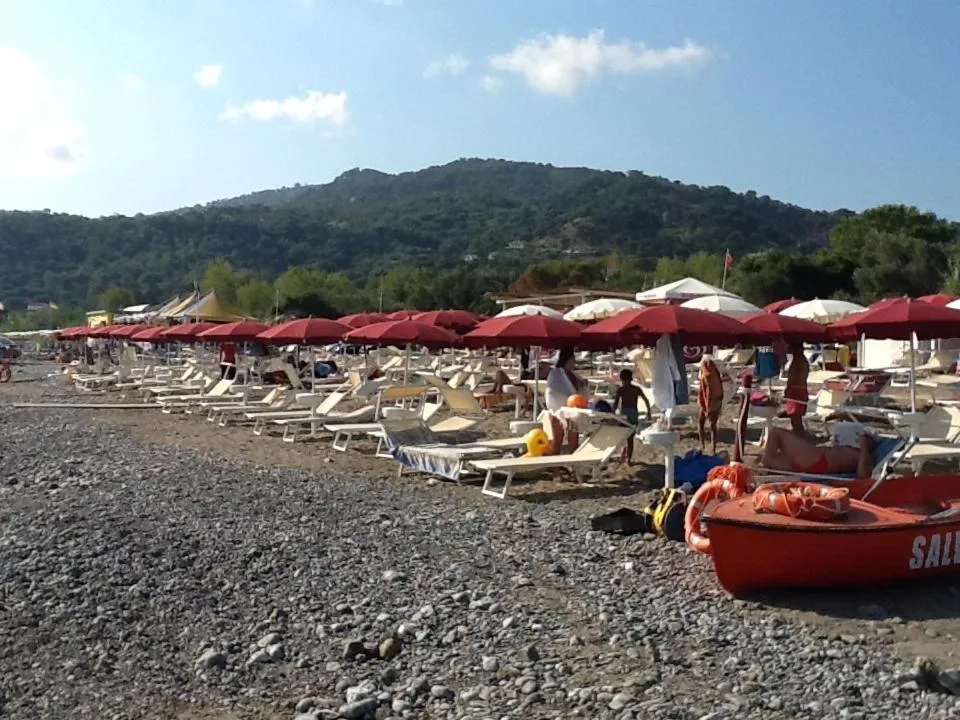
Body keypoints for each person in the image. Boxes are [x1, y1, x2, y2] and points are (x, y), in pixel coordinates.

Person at [759, 427, 874, 477]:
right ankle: (762, 468)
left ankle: (763, 466)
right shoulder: (852, 450)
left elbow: (863, 474)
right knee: (770, 460)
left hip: (816, 459)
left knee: (777, 433)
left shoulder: (862, 455)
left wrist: (864, 446)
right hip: (812, 463)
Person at [545, 348, 587, 452]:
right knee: (557, 440)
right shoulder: (556, 374)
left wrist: (583, 383)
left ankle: (572, 463)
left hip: (572, 411)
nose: (574, 363)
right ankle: (554, 466)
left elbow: (577, 391)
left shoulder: (573, 375)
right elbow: (556, 390)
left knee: (573, 440)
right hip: (556, 411)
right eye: (572, 360)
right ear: (566, 360)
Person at [612, 368, 651, 463]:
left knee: (621, 435)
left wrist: (612, 415)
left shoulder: (621, 390)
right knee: (630, 439)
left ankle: (623, 452)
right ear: (631, 379)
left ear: (621, 379)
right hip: (634, 413)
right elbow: (646, 400)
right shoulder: (636, 389)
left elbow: (615, 404)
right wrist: (649, 412)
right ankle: (628, 459)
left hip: (624, 414)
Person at [697, 356, 724, 454]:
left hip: (710, 400)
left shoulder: (707, 372)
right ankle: (710, 447)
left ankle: (705, 446)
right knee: (710, 425)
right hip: (712, 400)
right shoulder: (713, 370)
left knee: (704, 424)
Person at [782, 344, 810, 436]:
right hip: (800, 389)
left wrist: (788, 388)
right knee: (796, 416)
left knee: (795, 417)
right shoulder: (802, 361)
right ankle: (799, 434)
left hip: (796, 390)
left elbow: (793, 377)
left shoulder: (798, 361)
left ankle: (799, 435)